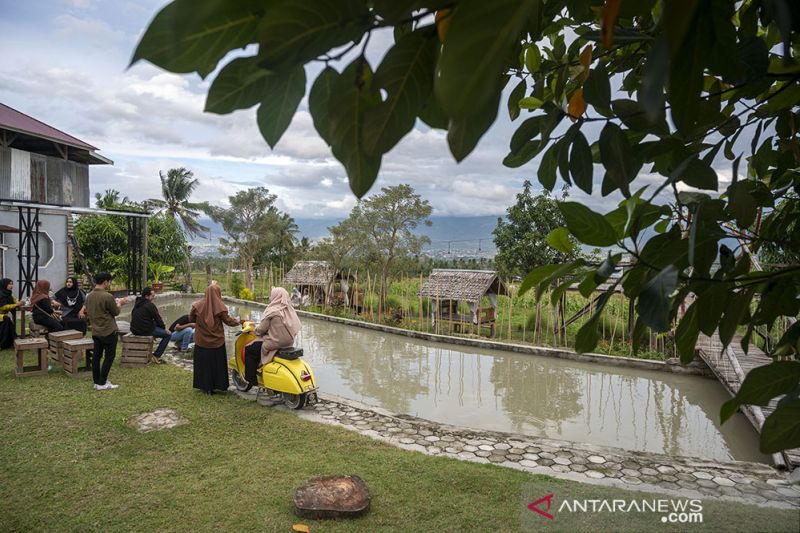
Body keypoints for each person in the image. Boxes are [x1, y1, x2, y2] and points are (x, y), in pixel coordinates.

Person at [243, 287, 301, 392]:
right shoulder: (289, 310)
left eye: (271, 295)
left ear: (275, 296)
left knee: (250, 349)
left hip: (274, 343)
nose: (270, 297)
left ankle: (251, 379)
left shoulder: (272, 311)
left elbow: (261, 329)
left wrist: (254, 329)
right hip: (289, 343)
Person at [189, 284, 240, 395]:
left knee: (203, 364)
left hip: (201, 341)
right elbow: (229, 322)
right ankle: (218, 385)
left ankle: (204, 386)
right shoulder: (221, 307)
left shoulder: (196, 306)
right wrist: (239, 320)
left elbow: (191, 318)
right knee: (216, 365)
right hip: (216, 342)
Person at [85, 272, 128, 391]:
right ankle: (102, 382)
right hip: (108, 330)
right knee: (109, 356)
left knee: (97, 356)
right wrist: (120, 303)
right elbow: (115, 312)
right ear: (105, 282)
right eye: (109, 282)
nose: (110, 284)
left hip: (96, 331)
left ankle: (97, 381)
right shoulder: (107, 296)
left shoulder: (89, 296)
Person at [130, 287, 171, 363]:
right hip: (144, 330)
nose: (154, 297)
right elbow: (158, 318)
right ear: (146, 296)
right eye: (152, 296)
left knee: (155, 323)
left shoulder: (137, 303)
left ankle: (155, 338)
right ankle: (156, 355)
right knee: (168, 335)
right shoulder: (150, 305)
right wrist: (165, 329)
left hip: (134, 329)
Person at [0, 279, 23, 348]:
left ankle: (11, 341)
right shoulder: (1, 294)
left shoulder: (8, 293)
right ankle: (6, 342)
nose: (11, 285)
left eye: (12, 284)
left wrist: (20, 303)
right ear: (4, 284)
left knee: (7, 320)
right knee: (7, 320)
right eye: (9, 284)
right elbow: (3, 307)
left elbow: (14, 300)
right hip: (1, 315)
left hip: (3, 315)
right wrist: (16, 305)